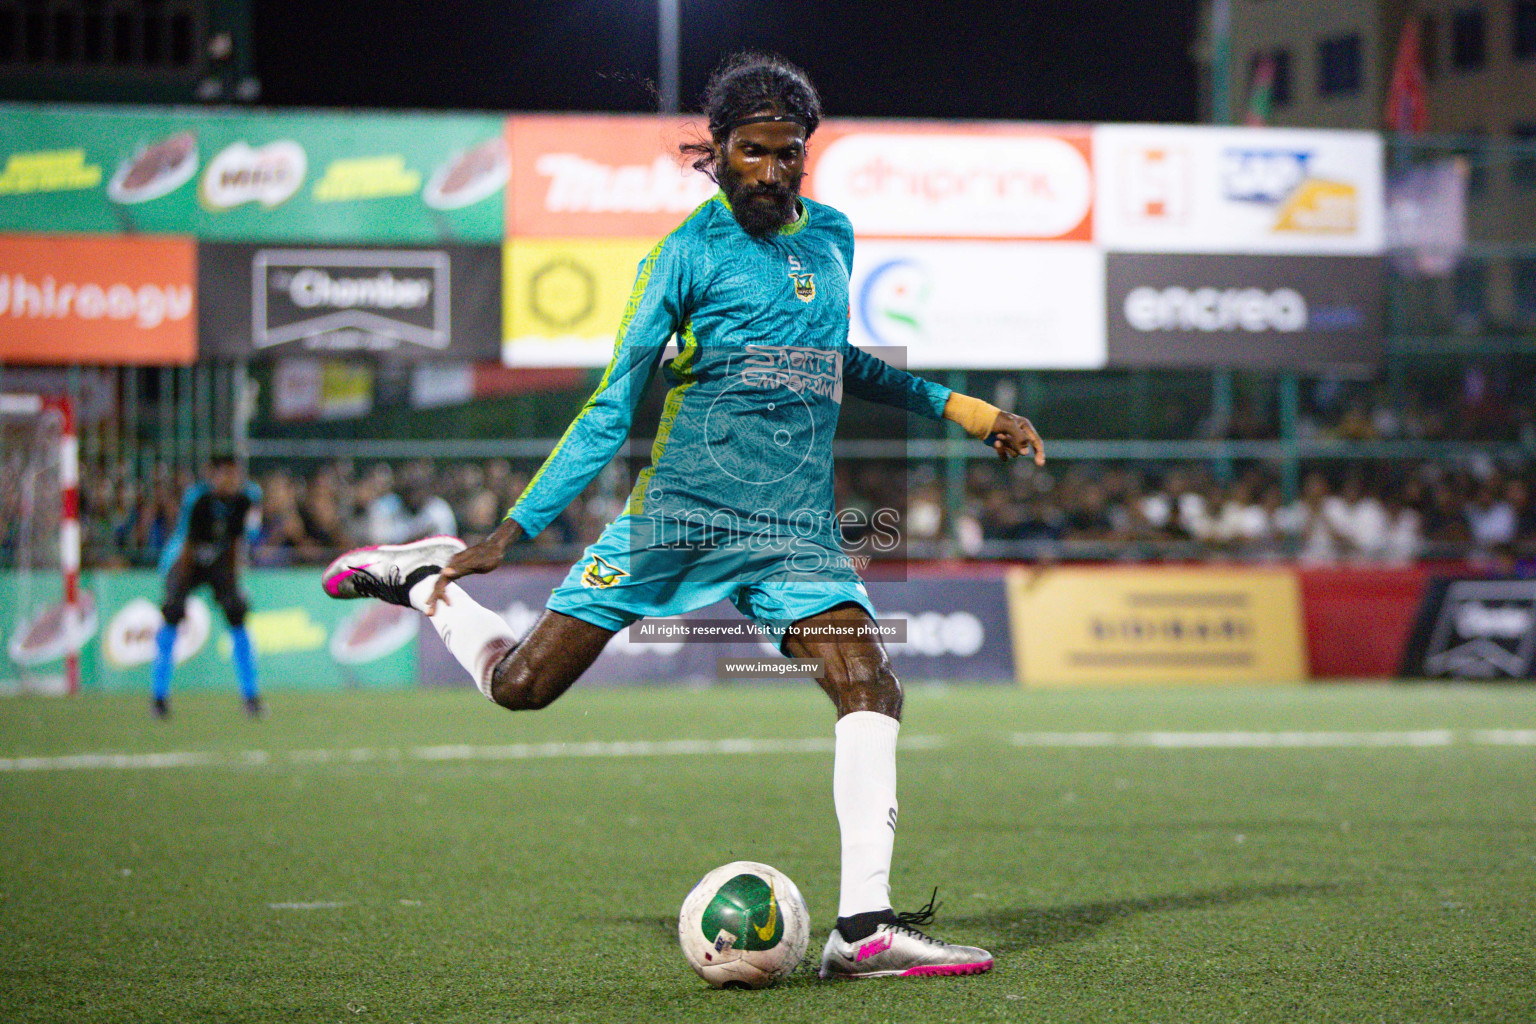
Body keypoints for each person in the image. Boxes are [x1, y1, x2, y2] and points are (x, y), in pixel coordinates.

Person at [322, 52, 1044, 980]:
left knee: (870, 683)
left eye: (790, 155)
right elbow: (613, 403)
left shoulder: (833, 238)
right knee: (521, 689)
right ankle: (427, 582)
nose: (772, 172)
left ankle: (862, 930)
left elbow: (840, 361)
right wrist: (513, 530)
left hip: (792, 532)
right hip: (678, 516)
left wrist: (968, 411)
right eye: (752, 152)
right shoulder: (683, 255)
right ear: (717, 151)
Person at [151, 456, 263, 718]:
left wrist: (233, 585)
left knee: (237, 611)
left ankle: (251, 696)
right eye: (224, 473)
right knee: (173, 612)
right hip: (185, 561)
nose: (230, 480)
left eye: (234, 474)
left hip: (219, 561)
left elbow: (236, 541)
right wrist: (179, 586)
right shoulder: (198, 499)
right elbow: (187, 542)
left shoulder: (244, 498)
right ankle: (158, 697)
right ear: (211, 475)